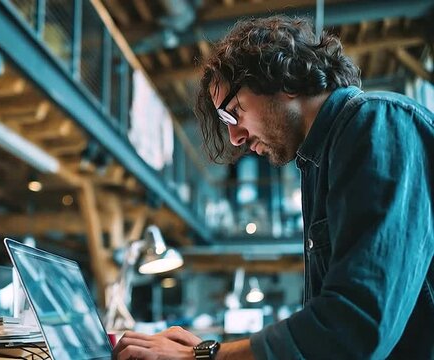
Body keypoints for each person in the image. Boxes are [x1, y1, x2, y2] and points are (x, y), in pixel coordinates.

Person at [112, 15, 434, 360]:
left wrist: (206, 356)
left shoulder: (377, 125)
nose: (235, 136)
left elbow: (355, 325)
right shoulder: (318, 161)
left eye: (234, 112)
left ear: (286, 79)